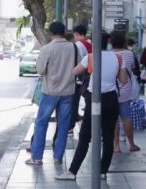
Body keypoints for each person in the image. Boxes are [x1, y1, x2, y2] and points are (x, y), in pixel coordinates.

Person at [55, 31, 128, 180]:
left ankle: (72, 172)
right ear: (107, 43)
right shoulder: (118, 57)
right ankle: (102, 172)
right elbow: (124, 80)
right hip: (111, 99)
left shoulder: (90, 57)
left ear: (94, 43)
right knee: (108, 136)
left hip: (94, 99)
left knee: (85, 137)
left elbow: (74, 72)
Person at [25, 22, 77, 165]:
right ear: (64, 31)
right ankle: (58, 156)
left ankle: (37, 157)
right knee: (63, 125)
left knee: (41, 123)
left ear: (51, 33)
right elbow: (78, 67)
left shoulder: (47, 49)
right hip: (68, 91)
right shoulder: (73, 47)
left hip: (50, 91)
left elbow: (41, 70)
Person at [111, 32, 140, 153]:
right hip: (126, 90)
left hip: (112, 89)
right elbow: (133, 67)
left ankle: (116, 146)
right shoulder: (129, 53)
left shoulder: (110, 55)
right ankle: (131, 144)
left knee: (114, 119)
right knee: (126, 117)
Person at [70, 24, 92, 131]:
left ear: (77, 34)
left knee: (74, 100)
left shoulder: (78, 45)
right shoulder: (89, 43)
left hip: (81, 75)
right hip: (90, 75)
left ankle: (71, 124)